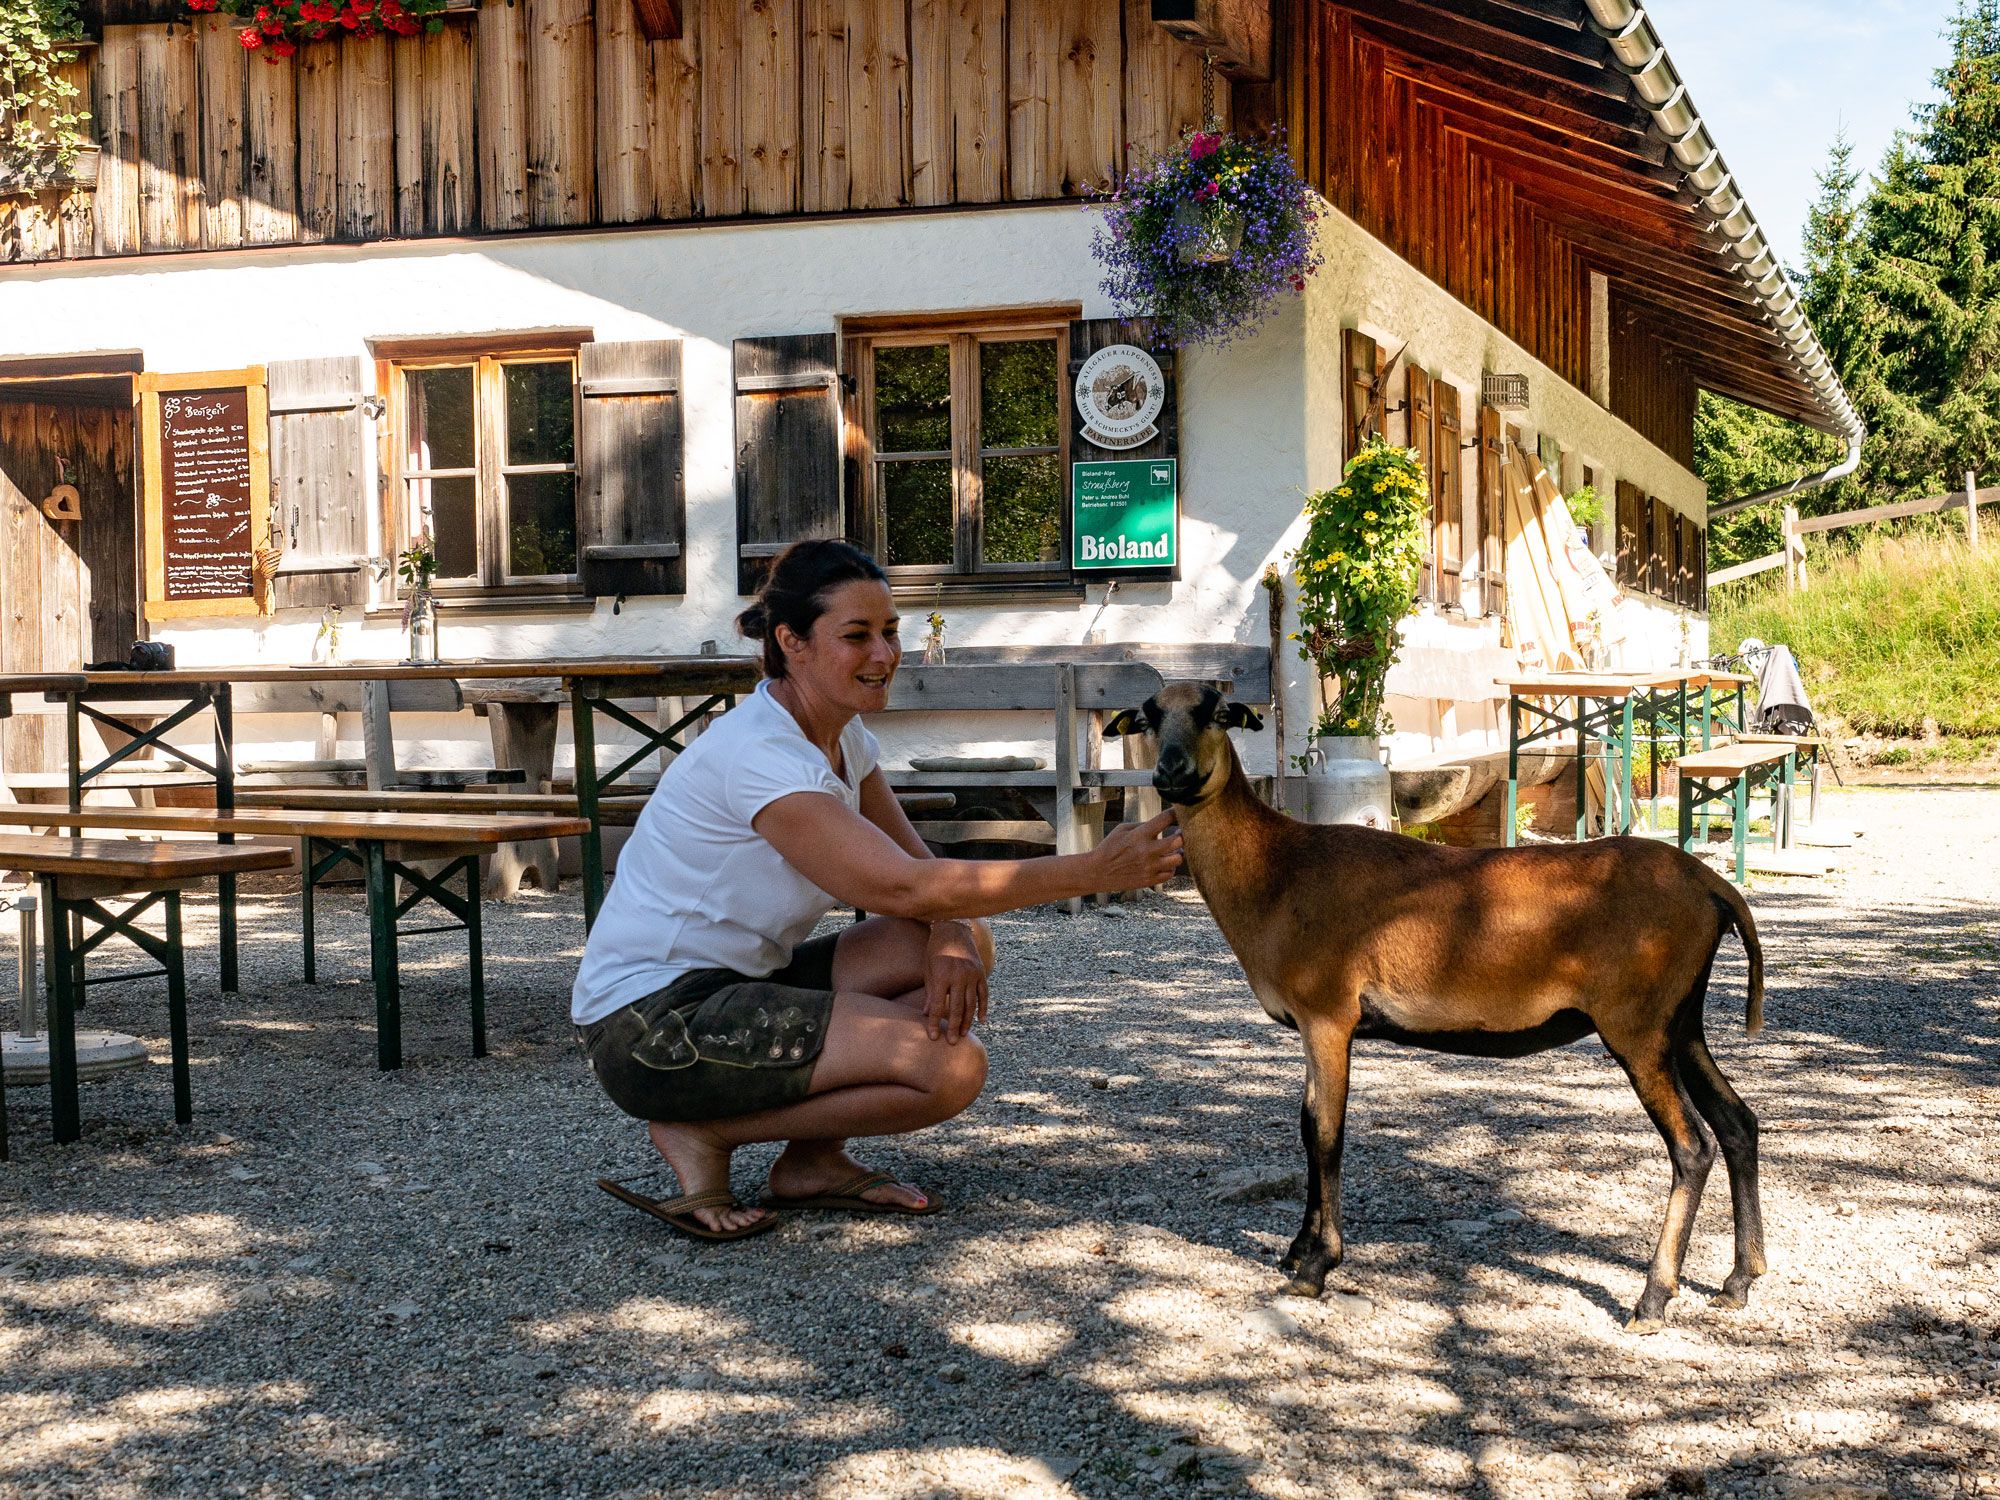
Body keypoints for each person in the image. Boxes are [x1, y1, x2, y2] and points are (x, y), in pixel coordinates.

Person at [572, 539, 1184, 1239]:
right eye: (856, 636)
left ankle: (812, 1162)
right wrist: (1089, 869)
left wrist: (951, 932)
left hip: (737, 984)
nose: (884, 654)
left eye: (890, 631)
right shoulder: (760, 756)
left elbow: (916, 870)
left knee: (963, 938)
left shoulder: (843, 737)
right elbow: (901, 882)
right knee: (948, 1069)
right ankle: (706, 1131)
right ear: (791, 642)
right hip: (653, 1026)